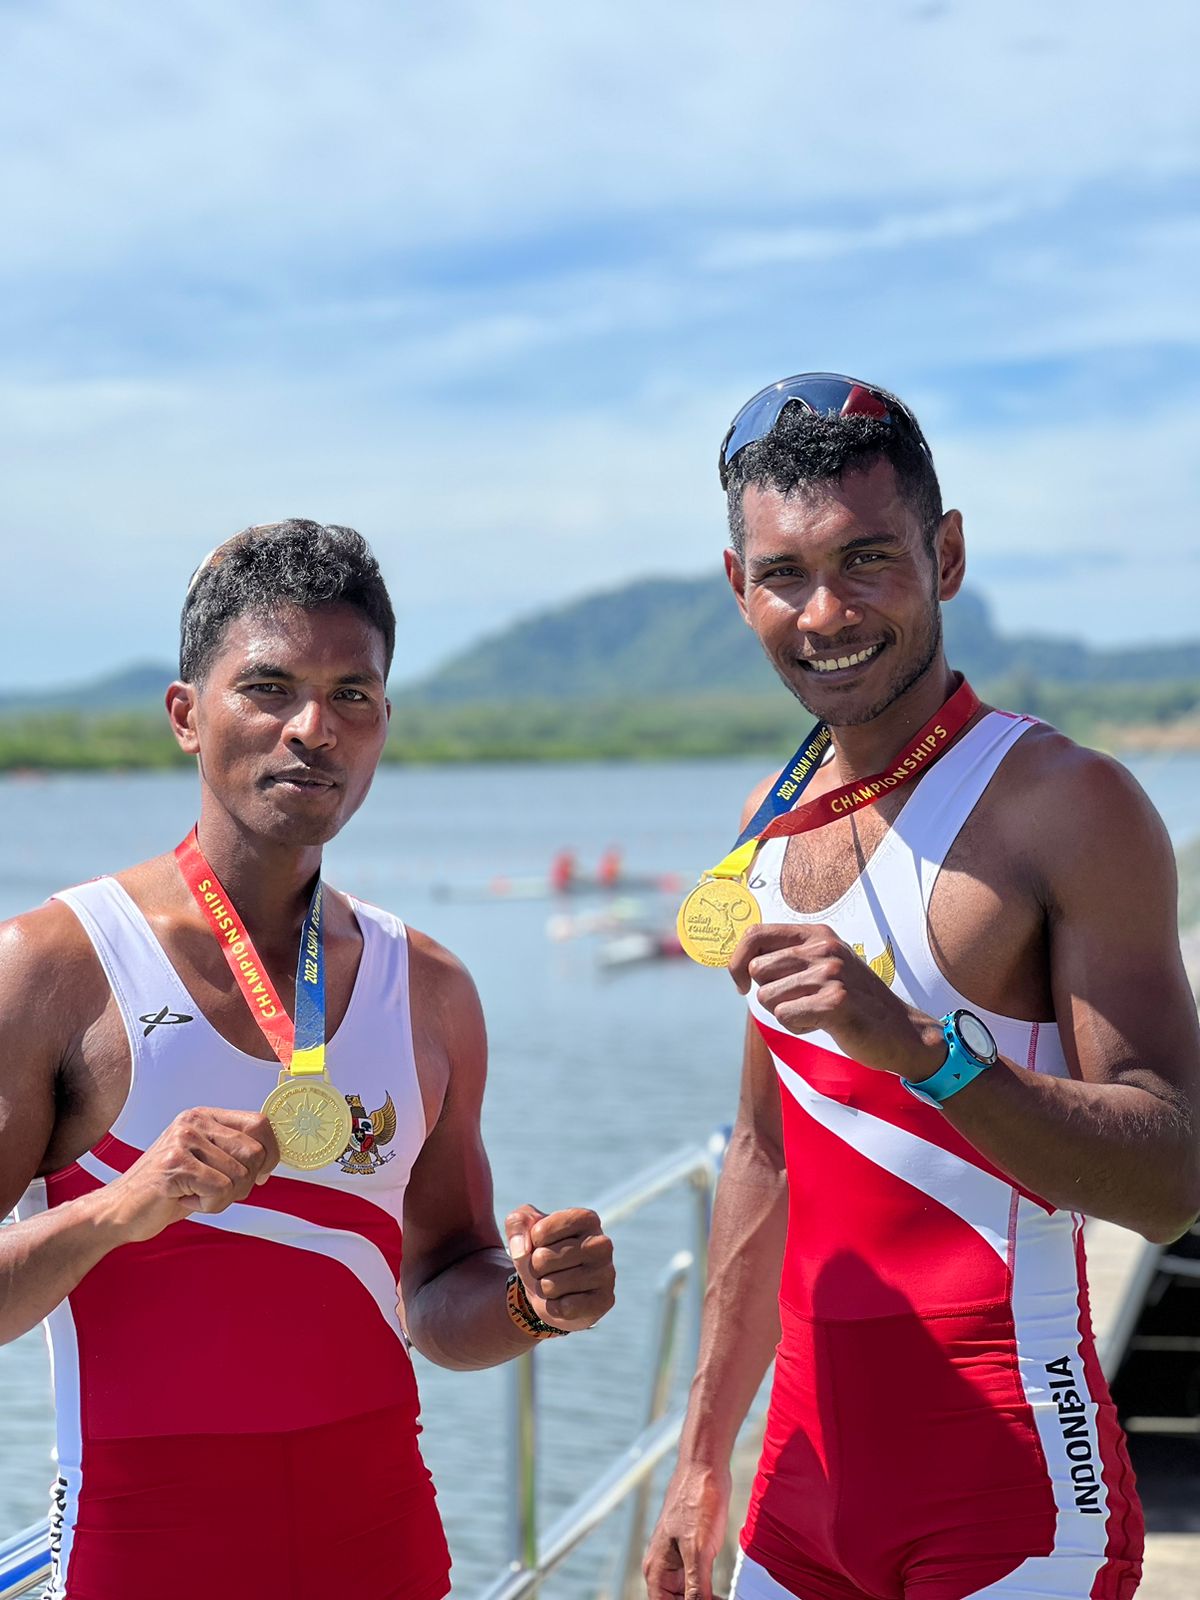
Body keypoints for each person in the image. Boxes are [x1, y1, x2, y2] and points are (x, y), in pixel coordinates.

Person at [645, 375, 1200, 1600]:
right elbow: (764, 1151)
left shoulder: (1069, 804)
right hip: (799, 1485)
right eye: (785, 574)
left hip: (1009, 1484)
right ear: (740, 591)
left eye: (870, 558)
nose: (828, 609)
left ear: (945, 555)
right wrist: (698, 1460)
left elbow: (1169, 1178)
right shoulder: (766, 828)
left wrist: (923, 1047)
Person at [0, 520, 616, 1600]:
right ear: (187, 714)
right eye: (269, 686)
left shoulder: (430, 992)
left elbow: (438, 1290)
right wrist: (117, 1209)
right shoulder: (53, 967)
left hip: (382, 1550)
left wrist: (530, 1299)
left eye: (353, 695)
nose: (313, 729)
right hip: (138, 1558)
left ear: (384, 725)